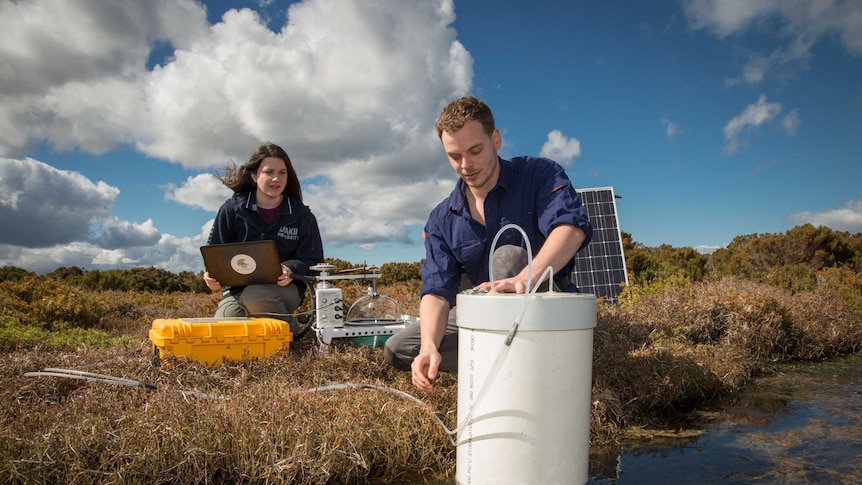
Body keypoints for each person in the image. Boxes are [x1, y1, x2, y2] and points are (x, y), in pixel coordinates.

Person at [383, 96, 593, 391]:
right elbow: (437, 291)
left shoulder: (540, 175)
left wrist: (525, 277)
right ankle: (507, 361)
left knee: (507, 258)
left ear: (495, 139)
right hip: (483, 317)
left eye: (475, 151)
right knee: (400, 348)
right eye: (455, 156)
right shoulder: (442, 218)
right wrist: (429, 345)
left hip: (544, 310)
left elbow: (570, 229)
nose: (466, 165)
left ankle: (535, 359)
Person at [203, 143, 324, 335]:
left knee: (255, 295)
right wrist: (210, 274)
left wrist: (291, 269)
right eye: (269, 172)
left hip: (286, 289)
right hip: (238, 291)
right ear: (254, 176)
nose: (276, 178)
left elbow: (315, 262)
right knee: (224, 328)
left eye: (282, 172)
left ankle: (297, 337)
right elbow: (214, 254)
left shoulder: (302, 216)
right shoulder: (231, 210)